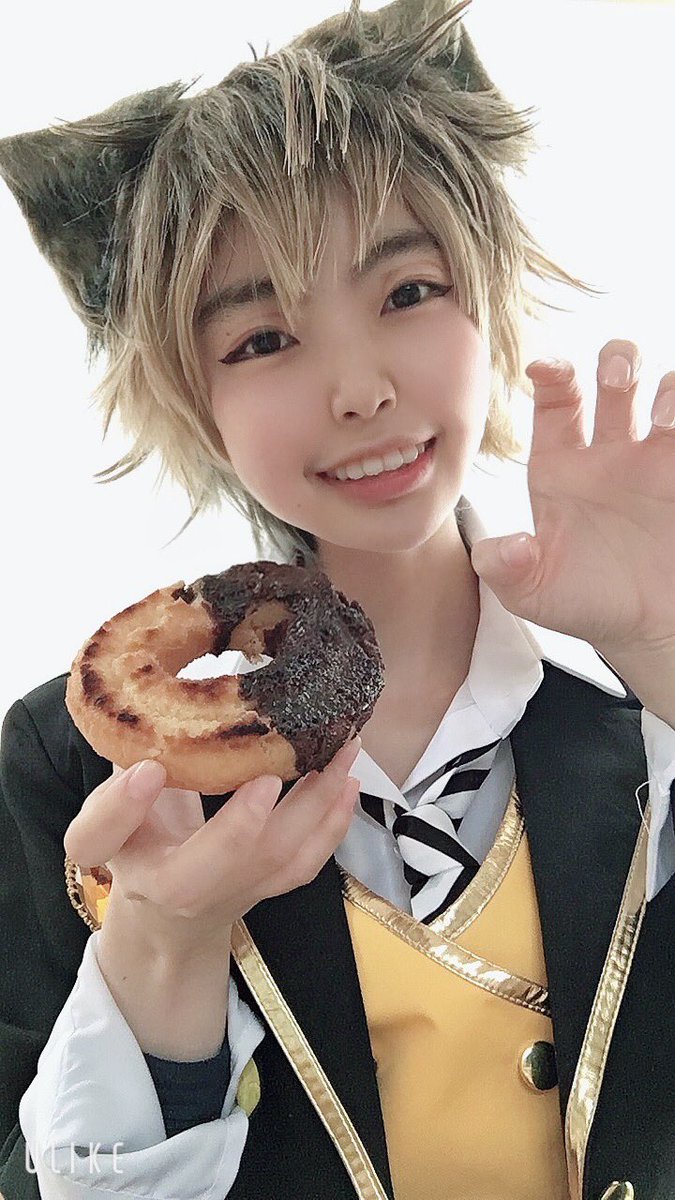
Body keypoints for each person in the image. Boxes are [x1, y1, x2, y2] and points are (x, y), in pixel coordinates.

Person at [0, 1, 673, 1197]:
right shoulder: (79, 770)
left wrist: (665, 650)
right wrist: (165, 944)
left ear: (486, 299)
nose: (360, 390)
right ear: (193, 397)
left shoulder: (637, 705)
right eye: (263, 340)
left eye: (407, 292)